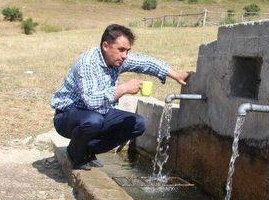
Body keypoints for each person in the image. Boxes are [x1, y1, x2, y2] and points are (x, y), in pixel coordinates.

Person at [51, 24, 191, 170]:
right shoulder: (88, 63)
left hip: (98, 112)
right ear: (105, 46)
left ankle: (87, 150)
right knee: (94, 121)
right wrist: (124, 88)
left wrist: (176, 75)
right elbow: (92, 101)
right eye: (121, 50)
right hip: (68, 116)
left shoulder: (116, 60)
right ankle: (75, 153)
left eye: (127, 51)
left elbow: (146, 62)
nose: (125, 55)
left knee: (137, 124)